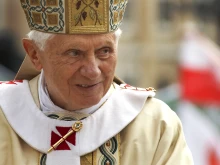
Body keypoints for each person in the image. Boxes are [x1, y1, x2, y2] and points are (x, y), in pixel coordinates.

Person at [0, 0, 193, 165]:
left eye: (104, 51)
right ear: (35, 54)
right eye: (74, 53)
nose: (92, 71)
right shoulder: (4, 117)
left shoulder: (156, 126)